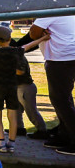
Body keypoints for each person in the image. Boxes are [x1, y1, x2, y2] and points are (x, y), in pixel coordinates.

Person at [28, 14, 75, 155]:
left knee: (60, 100)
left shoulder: (50, 12)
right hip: (67, 56)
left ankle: (72, 138)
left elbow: (33, 33)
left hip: (60, 58)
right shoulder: (66, 9)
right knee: (63, 99)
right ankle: (64, 134)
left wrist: (39, 30)